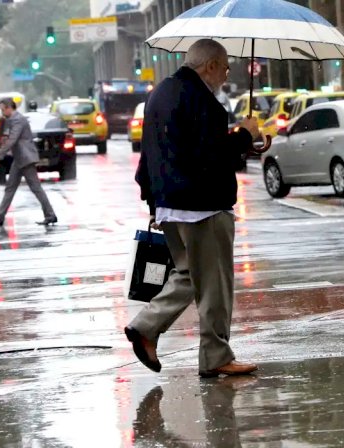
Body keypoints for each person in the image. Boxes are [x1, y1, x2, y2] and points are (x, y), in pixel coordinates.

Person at [124, 39, 262, 378]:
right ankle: (214, 355)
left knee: (188, 275)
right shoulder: (205, 102)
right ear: (211, 65)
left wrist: (153, 201)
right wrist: (245, 135)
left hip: (170, 206)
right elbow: (213, 158)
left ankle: (146, 327)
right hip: (203, 208)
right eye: (226, 67)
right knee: (214, 285)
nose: (227, 74)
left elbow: (152, 155)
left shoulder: (159, 94)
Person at [0, 98, 58, 227]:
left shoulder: (18, 120)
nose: (1, 112)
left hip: (26, 158)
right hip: (19, 159)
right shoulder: (11, 120)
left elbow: (12, 140)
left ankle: (50, 215)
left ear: (8, 107)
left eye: (2, 109)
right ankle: (0, 216)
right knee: (10, 188)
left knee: (36, 188)